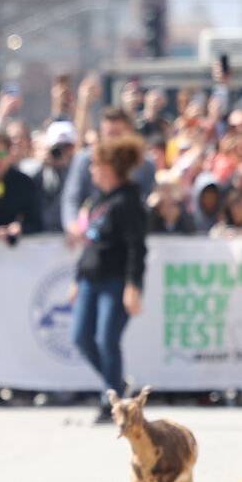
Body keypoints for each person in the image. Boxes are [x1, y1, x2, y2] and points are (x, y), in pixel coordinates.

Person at [71, 134, 147, 424]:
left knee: (107, 339)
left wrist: (133, 285)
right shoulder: (99, 200)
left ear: (109, 167)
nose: (91, 170)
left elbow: (136, 247)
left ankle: (111, 401)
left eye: (95, 164)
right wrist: (77, 279)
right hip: (91, 279)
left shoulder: (128, 200)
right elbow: (90, 242)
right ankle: (117, 384)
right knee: (80, 336)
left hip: (115, 281)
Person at [63, 108, 155, 237]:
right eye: (109, 134)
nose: (113, 139)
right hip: (94, 231)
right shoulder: (85, 160)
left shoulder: (144, 164)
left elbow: (147, 200)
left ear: (128, 131)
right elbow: (72, 197)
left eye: (117, 133)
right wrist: (72, 225)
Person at [0, 130, 43, 242]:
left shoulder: (25, 183)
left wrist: (21, 228)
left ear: (10, 154)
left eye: (1, 154)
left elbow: (35, 222)